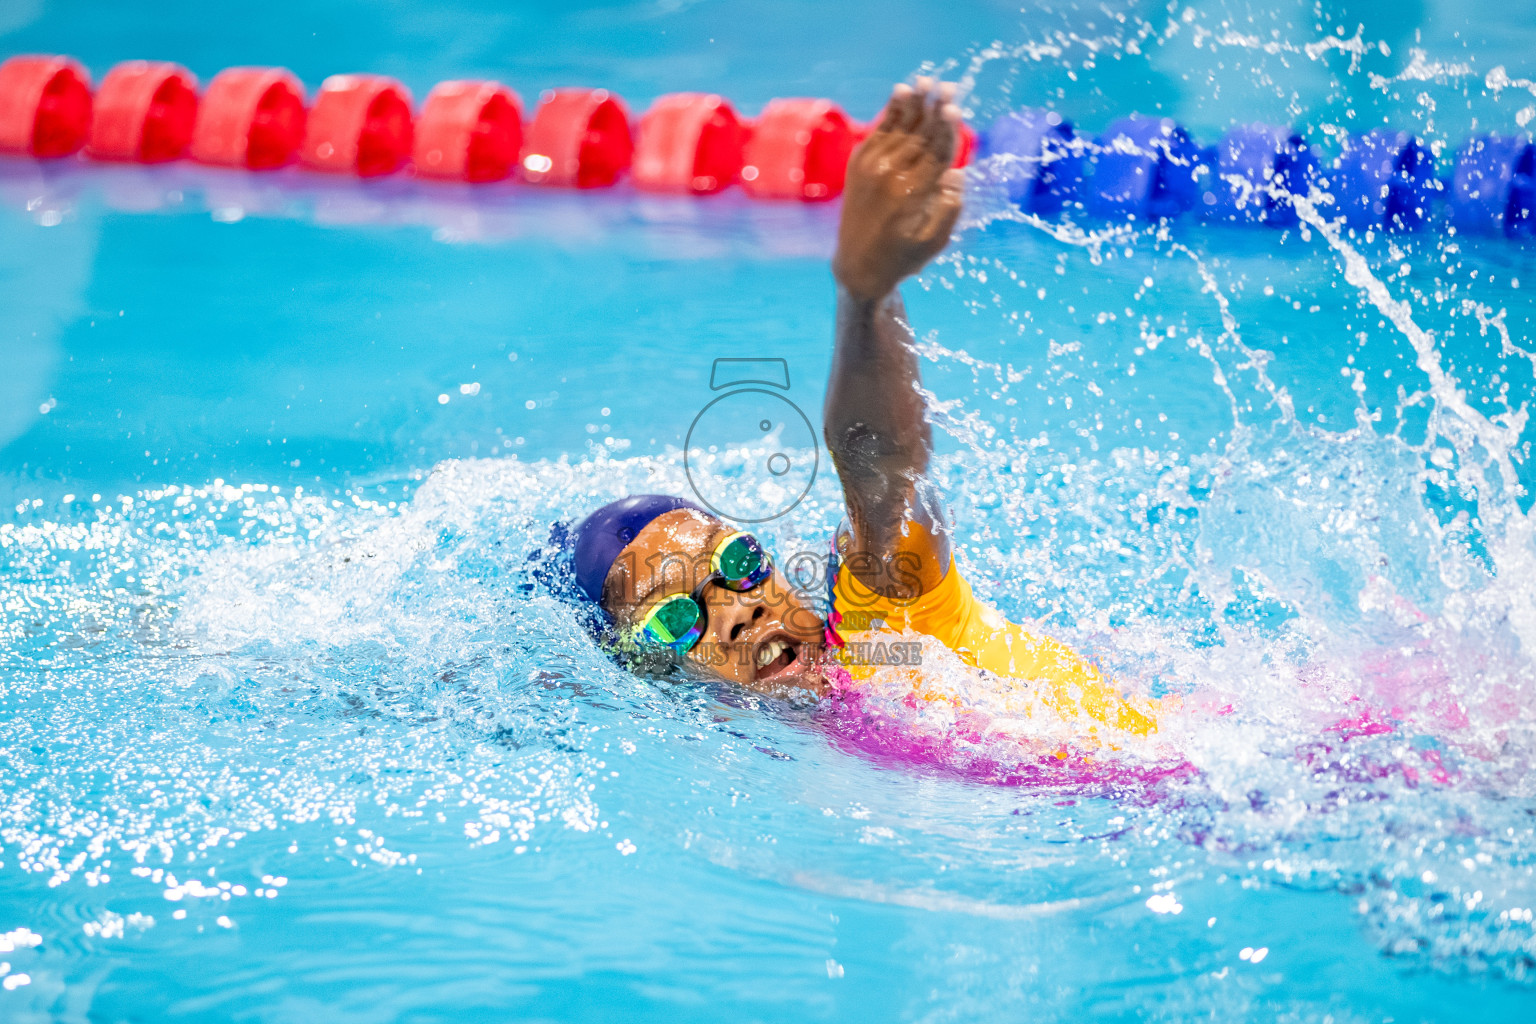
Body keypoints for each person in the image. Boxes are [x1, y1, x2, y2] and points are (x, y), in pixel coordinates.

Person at [564, 78, 1157, 739]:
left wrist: (866, 296)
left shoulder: (886, 632)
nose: (738, 611)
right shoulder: (800, 743)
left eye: (738, 563)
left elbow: (881, 473)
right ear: (648, 666)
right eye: (676, 616)